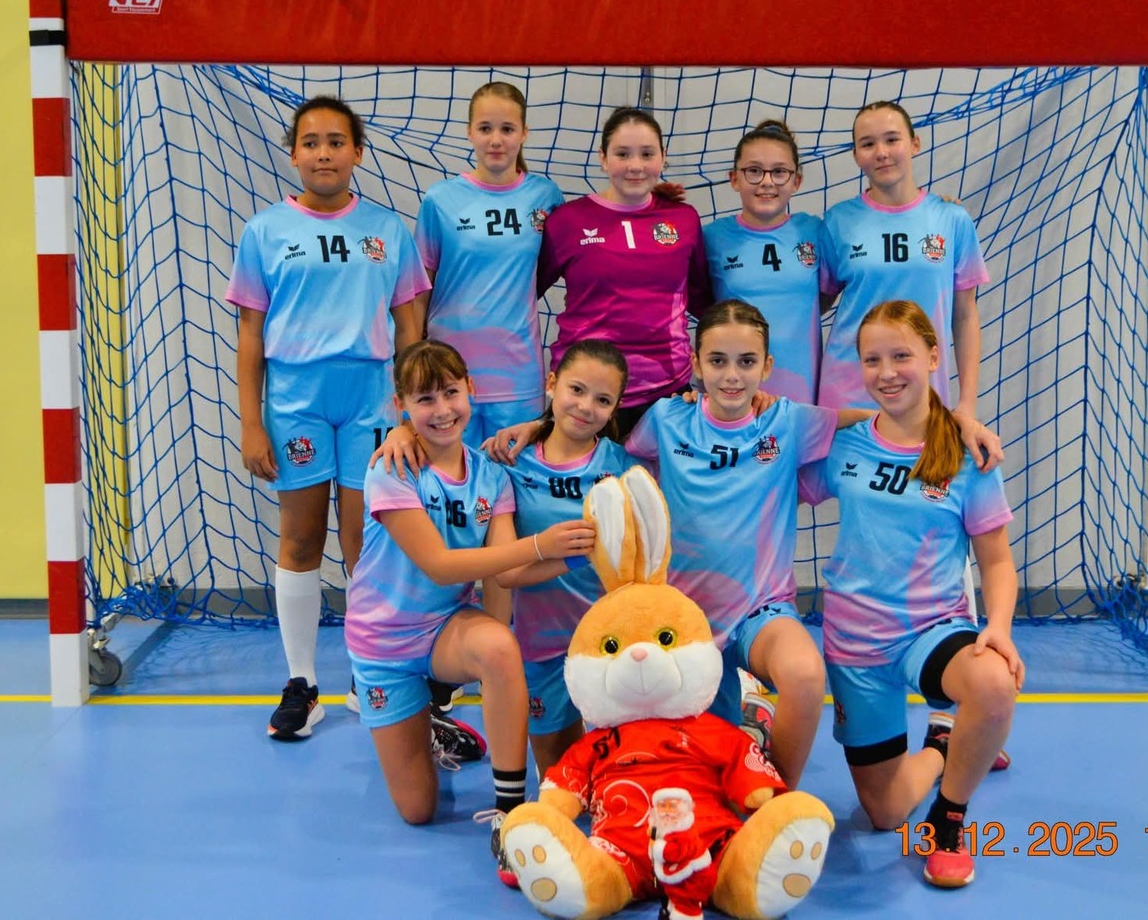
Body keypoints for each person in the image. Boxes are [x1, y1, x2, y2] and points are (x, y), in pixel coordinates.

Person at [343, 340, 596, 884]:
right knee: (418, 810)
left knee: (500, 647)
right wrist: (541, 544)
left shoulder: (490, 477)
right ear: (401, 407)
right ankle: (427, 722)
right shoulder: (392, 469)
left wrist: (579, 557)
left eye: (451, 393)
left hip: (443, 630)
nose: (442, 410)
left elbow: (506, 572)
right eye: (424, 400)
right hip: (382, 644)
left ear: (471, 391)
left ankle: (509, 812)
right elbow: (440, 565)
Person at [798, 299, 1023, 889]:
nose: (887, 372)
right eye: (872, 360)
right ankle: (945, 744)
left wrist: (998, 628)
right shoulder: (845, 445)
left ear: (932, 357)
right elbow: (773, 475)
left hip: (932, 632)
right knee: (885, 812)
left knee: (993, 684)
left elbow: (997, 561)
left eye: (901, 356)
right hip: (855, 645)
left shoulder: (968, 456)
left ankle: (948, 820)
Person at [225, 94, 428, 742]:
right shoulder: (264, 231)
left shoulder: (387, 230)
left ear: (357, 153)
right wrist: (251, 422)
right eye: (310, 142)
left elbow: (411, 328)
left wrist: (409, 411)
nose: (323, 153)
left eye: (336, 141)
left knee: (366, 541)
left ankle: (372, 675)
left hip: (372, 400)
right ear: (293, 154)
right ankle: (302, 684)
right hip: (296, 403)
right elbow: (250, 335)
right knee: (301, 539)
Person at [620, 299, 861, 789]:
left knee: (805, 676)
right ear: (696, 364)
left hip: (760, 612)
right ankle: (747, 714)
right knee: (699, 773)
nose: (732, 376)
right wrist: (536, 429)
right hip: (685, 620)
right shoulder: (667, 419)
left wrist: (953, 422)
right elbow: (603, 448)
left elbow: (870, 421)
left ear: (766, 367)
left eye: (746, 362)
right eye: (718, 361)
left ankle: (777, 793)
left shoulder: (786, 422)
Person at [820, 101, 1001, 467]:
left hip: (921, 392)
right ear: (856, 155)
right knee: (853, 495)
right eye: (868, 144)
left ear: (915, 144)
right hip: (849, 393)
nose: (881, 152)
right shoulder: (838, 221)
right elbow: (813, 306)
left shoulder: (951, 219)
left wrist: (966, 404)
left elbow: (965, 315)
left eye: (892, 139)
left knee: (918, 494)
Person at [498, 339, 635, 775]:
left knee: (620, 770)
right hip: (542, 644)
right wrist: (569, 555)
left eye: (603, 400)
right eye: (576, 390)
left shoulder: (625, 467)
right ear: (551, 383)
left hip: (612, 643)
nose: (586, 406)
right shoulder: (510, 461)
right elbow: (505, 572)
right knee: (560, 777)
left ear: (615, 409)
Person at [536, 106, 713, 439]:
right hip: (586, 396)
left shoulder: (684, 219)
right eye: (622, 154)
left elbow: (704, 303)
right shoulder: (567, 221)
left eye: (647, 154)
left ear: (663, 157)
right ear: (603, 158)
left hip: (667, 394)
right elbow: (524, 292)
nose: (635, 165)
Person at [415, 82, 566, 446]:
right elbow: (419, 289)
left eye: (507, 129)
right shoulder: (440, 199)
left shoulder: (545, 196)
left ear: (524, 133)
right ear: (470, 132)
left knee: (512, 479)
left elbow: (564, 256)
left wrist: (647, 199)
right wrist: (412, 362)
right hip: (447, 375)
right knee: (452, 478)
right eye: (485, 128)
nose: (496, 140)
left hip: (517, 375)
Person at [703, 120, 829, 404]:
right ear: (734, 178)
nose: (767, 182)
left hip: (802, 393)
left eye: (779, 172)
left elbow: (825, 294)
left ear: (796, 181)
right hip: (734, 393)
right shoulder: (711, 237)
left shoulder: (815, 231)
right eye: (754, 171)